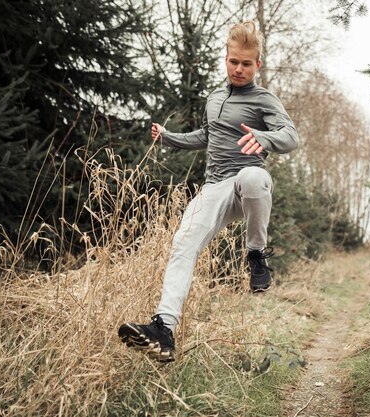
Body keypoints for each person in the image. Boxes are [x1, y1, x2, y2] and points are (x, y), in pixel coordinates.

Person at [117, 21, 299, 362]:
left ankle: (256, 255)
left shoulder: (264, 100)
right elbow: (206, 135)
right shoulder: (215, 98)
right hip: (214, 187)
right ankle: (163, 329)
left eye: (247, 63)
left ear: (258, 64)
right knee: (183, 244)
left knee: (253, 177)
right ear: (226, 59)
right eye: (234, 62)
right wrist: (169, 137)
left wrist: (264, 137)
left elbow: (291, 136)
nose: (240, 69)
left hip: (248, 185)